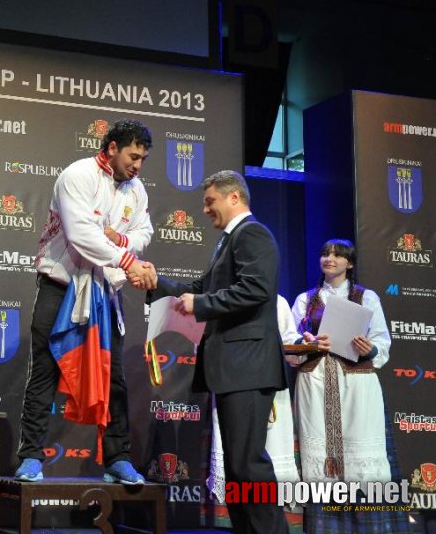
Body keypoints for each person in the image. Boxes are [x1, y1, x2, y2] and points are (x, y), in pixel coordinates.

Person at [143, 170, 288, 534]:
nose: (205, 209)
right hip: (233, 368)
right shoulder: (228, 241)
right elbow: (198, 288)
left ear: (234, 197)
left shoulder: (251, 233)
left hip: (248, 365)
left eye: (210, 202)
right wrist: (156, 281)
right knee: (239, 466)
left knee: (248, 465)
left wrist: (202, 303)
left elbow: (256, 290)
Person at [15, 118, 157, 484]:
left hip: (103, 291)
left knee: (115, 379)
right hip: (59, 285)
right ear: (112, 149)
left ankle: (117, 458)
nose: (138, 165)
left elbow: (144, 232)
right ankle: (31, 456)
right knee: (44, 371)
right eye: (133, 156)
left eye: (142, 159)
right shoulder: (77, 176)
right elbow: (81, 236)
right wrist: (125, 257)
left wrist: (119, 242)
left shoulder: (136, 190)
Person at [291, 239, 409, 534]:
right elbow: (290, 344)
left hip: (355, 383)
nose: (329, 259)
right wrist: (306, 343)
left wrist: (369, 349)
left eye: (337, 255)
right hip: (316, 383)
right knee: (321, 461)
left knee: (360, 456)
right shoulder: (306, 300)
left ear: (350, 263)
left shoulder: (366, 298)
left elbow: (382, 341)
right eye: (325, 254)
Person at [207, 295, 300, 506]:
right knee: (236, 451)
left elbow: (289, 338)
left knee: (269, 449)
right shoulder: (221, 299)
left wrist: (301, 342)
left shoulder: (279, 302)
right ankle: (238, 511)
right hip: (232, 382)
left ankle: (268, 512)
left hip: (269, 382)